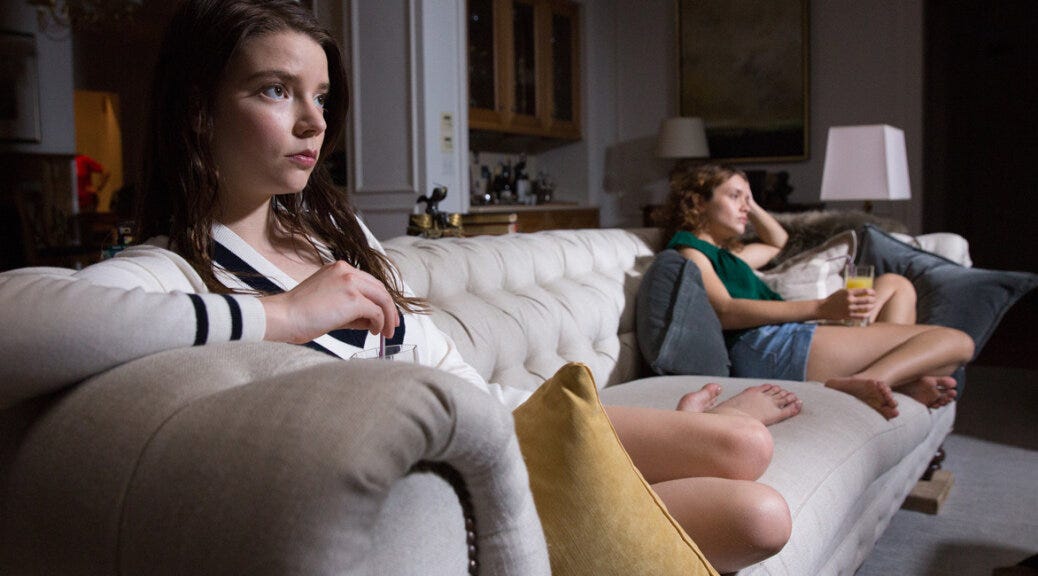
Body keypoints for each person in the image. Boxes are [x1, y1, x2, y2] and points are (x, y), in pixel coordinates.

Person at [0, 2, 796, 571]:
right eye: (275, 90)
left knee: (744, 444)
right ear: (197, 111)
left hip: (505, 424)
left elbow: (455, 378)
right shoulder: (174, 268)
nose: (313, 121)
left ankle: (676, 438)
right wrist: (278, 315)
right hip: (470, 489)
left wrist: (582, 436)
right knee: (760, 516)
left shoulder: (331, 234)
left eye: (320, 96)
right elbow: (13, 316)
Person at [655, 164, 975, 420]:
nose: (745, 208)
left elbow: (777, 242)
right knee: (957, 342)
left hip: (778, 338)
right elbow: (725, 311)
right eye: (735, 196)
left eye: (747, 199)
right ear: (698, 202)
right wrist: (822, 308)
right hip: (765, 345)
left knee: (895, 284)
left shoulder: (728, 257)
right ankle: (870, 380)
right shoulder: (690, 250)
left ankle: (897, 380)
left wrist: (750, 203)